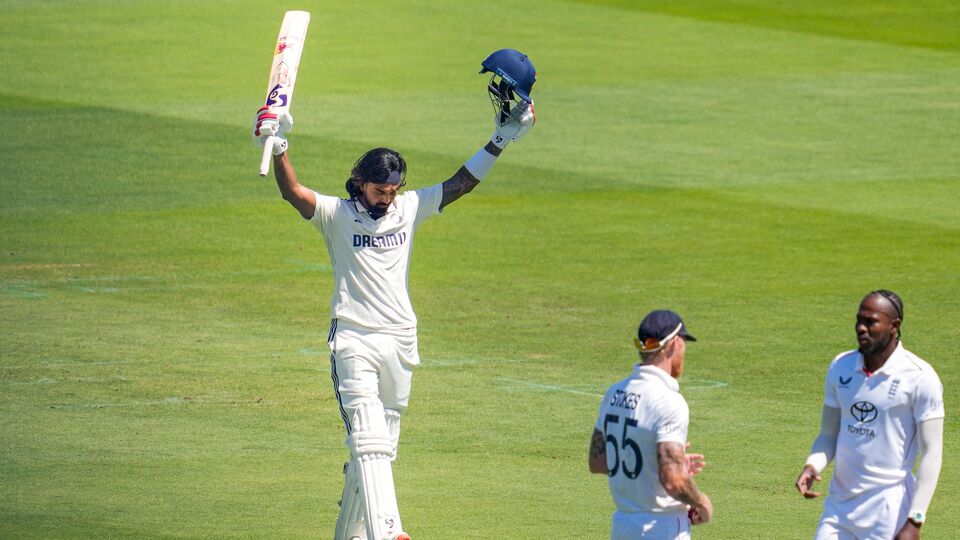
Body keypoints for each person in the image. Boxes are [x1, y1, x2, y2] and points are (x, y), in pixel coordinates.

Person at [251, 49, 537, 540]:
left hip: (401, 338)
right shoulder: (336, 213)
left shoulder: (409, 208)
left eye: (394, 190)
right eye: (381, 191)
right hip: (354, 337)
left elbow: (460, 185)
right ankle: (389, 530)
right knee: (367, 435)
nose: (388, 198)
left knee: (383, 446)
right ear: (361, 182)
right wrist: (278, 146)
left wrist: (500, 140)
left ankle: (354, 535)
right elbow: (292, 193)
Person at [795, 290, 944, 540]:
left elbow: (932, 454)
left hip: (889, 509)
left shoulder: (920, 377)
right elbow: (828, 434)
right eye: (859, 320)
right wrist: (813, 465)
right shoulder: (841, 366)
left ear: (894, 326)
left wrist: (915, 520)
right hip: (839, 507)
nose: (861, 328)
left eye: (870, 321)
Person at [589, 310, 713, 539]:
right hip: (661, 530)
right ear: (674, 343)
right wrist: (703, 503)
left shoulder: (614, 393)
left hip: (623, 527)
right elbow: (673, 480)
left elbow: (597, 461)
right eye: (684, 342)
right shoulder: (669, 402)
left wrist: (654, 460)